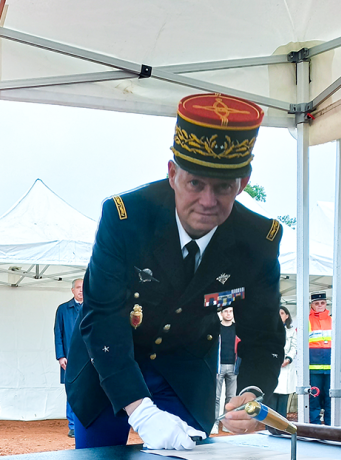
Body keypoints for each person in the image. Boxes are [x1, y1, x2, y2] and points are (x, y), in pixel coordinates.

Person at [65, 93, 285, 450]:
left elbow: (265, 336)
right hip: (107, 367)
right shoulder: (125, 218)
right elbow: (102, 316)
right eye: (195, 183)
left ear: (242, 183)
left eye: (224, 187)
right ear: (172, 174)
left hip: (184, 372)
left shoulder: (258, 240)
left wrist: (251, 393)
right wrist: (141, 411)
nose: (208, 202)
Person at [54, 279, 84, 438]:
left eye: (84, 288)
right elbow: (58, 334)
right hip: (69, 359)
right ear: (72, 290)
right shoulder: (63, 309)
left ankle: (85, 424)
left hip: (89, 359)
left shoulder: (93, 308)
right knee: (72, 392)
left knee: (89, 391)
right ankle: (73, 426)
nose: (81, 291)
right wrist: (60, 356)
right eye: (78, 288)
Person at [266, 306, 297, 418]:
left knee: (283, 400)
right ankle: (269, 427)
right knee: (271, 399)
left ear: (287, 316)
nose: (279, 315)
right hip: (272, 367)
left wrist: (288, 359)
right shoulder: (268, 331)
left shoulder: (292, 331)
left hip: (286, 368)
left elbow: (294, 347)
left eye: (282, 313)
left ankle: (282, 427)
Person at [308, 291, 332, 425]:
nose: (320, 305)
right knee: (314, 397)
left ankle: (330, 424)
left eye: (322, 303)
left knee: (330, 397)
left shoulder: (332, 320)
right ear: (312, 305)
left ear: (326, 303)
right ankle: (315, 424)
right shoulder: (307, 320)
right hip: (313, 366)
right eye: (316, 303)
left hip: (330, 366)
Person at [215, 307, 238, 427]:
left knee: (231, 398)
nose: (228, 314)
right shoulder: (216, 327)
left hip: (233, 366)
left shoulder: (237, 328)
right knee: (216, 397)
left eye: (231, 311)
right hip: (218, 366)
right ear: (221, 313)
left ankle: (227, 424)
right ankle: (214, 423)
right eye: (226, 311)